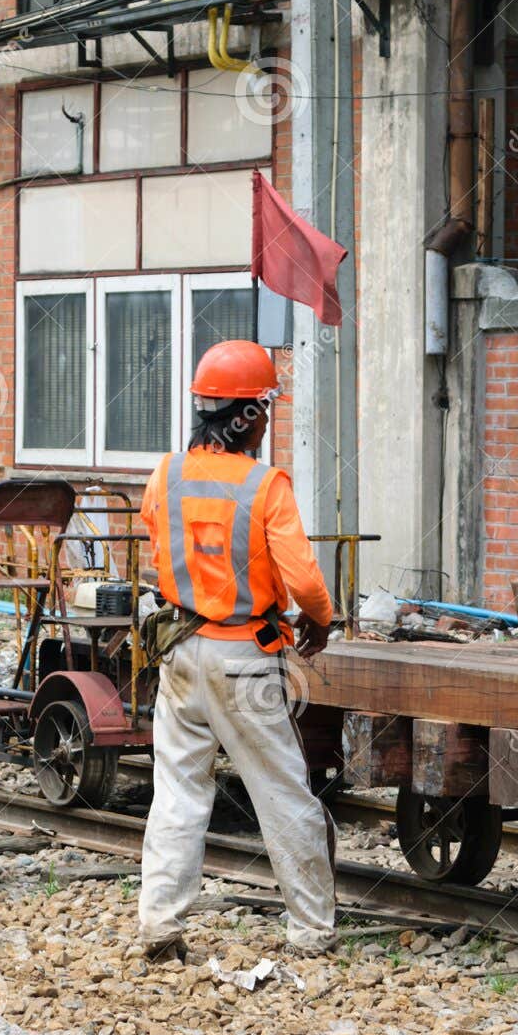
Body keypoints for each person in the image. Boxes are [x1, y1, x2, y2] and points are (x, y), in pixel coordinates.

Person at [133, 340, 337, 962]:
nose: (269, 421)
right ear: (246, 412)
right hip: (244, 656)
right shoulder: (264, 484)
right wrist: (321, 620)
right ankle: (311, 931)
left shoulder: (164, 475)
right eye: (265, 408)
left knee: (177, 791)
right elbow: (303, 580)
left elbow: (158, 542)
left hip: (181, 653)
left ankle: (161, 926)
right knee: (281, 792)